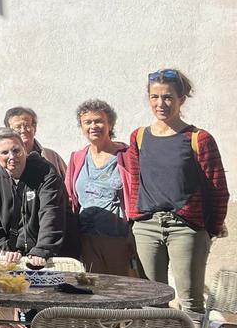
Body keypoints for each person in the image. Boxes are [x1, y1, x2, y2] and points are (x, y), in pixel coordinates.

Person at [124, 69, 228, 314]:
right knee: (151, 300)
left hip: (186, 228)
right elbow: (134, 182)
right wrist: (135, 219)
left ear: (182, 99)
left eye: (168, 97)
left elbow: (218, 189)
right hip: (147, 227)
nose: (161, 104)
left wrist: (209, 229)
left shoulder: (199, 138)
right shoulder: (138, 137)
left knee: (190, 302)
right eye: (154, 97)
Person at [65, 99, 135, 276]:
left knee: (122, 291)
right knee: (95, 292)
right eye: (87, 122)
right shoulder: (77, 158)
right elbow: (70, 197)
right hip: (86, 240)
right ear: (81, 127)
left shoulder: (127, 156)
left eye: (99, 121)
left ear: (110, 124)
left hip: (119, 239)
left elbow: (137, 194)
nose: (93, 126)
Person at [0, 128, 67, 266]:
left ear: (25, 150)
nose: (12, 156)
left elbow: (51, 213)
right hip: (11, 256)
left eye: (16, 150)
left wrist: (42, 249)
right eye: (4, 152)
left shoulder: (46, 173)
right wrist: (5, 250)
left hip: (47, 254)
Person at [0, 106, 68, 177]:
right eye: (18, 127)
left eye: (27, 125)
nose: (23, 130)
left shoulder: (52, 157)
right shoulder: (0, 160)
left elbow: (68, 184)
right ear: (9, 131)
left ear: (34, 129)